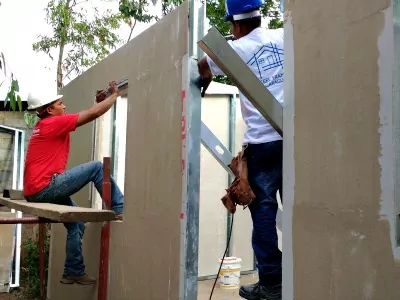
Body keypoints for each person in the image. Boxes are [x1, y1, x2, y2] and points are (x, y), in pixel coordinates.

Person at [197, 0, 284, 299]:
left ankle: (272, 283)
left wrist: (204, 83)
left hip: (262, 144)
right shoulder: (283, 36)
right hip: (294, 139)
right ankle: (306, 270)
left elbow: (202, 66)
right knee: (301, 208)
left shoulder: (234, 51)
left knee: (263, 211)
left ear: (234, 23)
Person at [23, 81, 124, 285]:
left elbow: (86, 114)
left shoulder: (45, 124)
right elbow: (93, 115)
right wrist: (114, 96)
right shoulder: (52, 124)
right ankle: (119, 207)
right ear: (50, 109)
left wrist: (98, 102)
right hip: (45, 187)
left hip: (35, 189)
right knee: (97, 168)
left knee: (76, 223)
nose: (65, 106)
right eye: (61, 103)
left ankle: (73, 270)